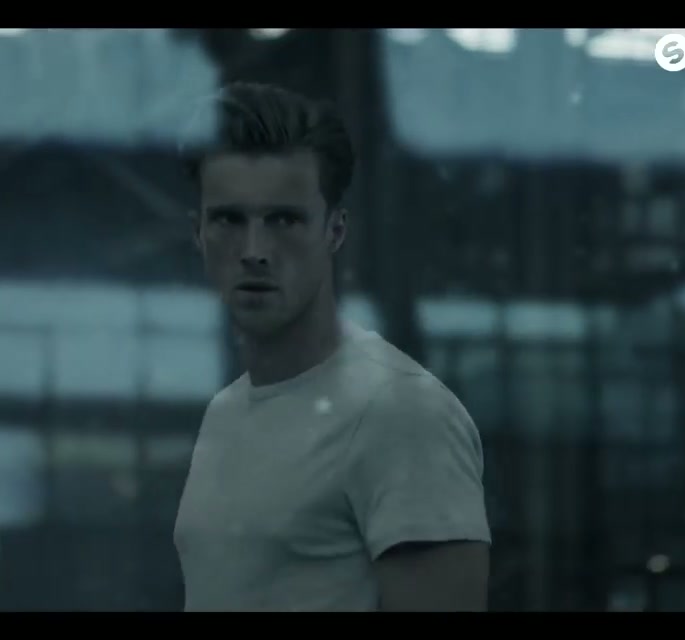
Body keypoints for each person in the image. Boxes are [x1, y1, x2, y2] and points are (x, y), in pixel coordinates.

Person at [172, 82, 491, 612]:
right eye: (229, 219)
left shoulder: (402, 413)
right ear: (199, 233)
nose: (254, 250)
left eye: (284, 220)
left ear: (335, 231)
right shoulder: (225, 412)